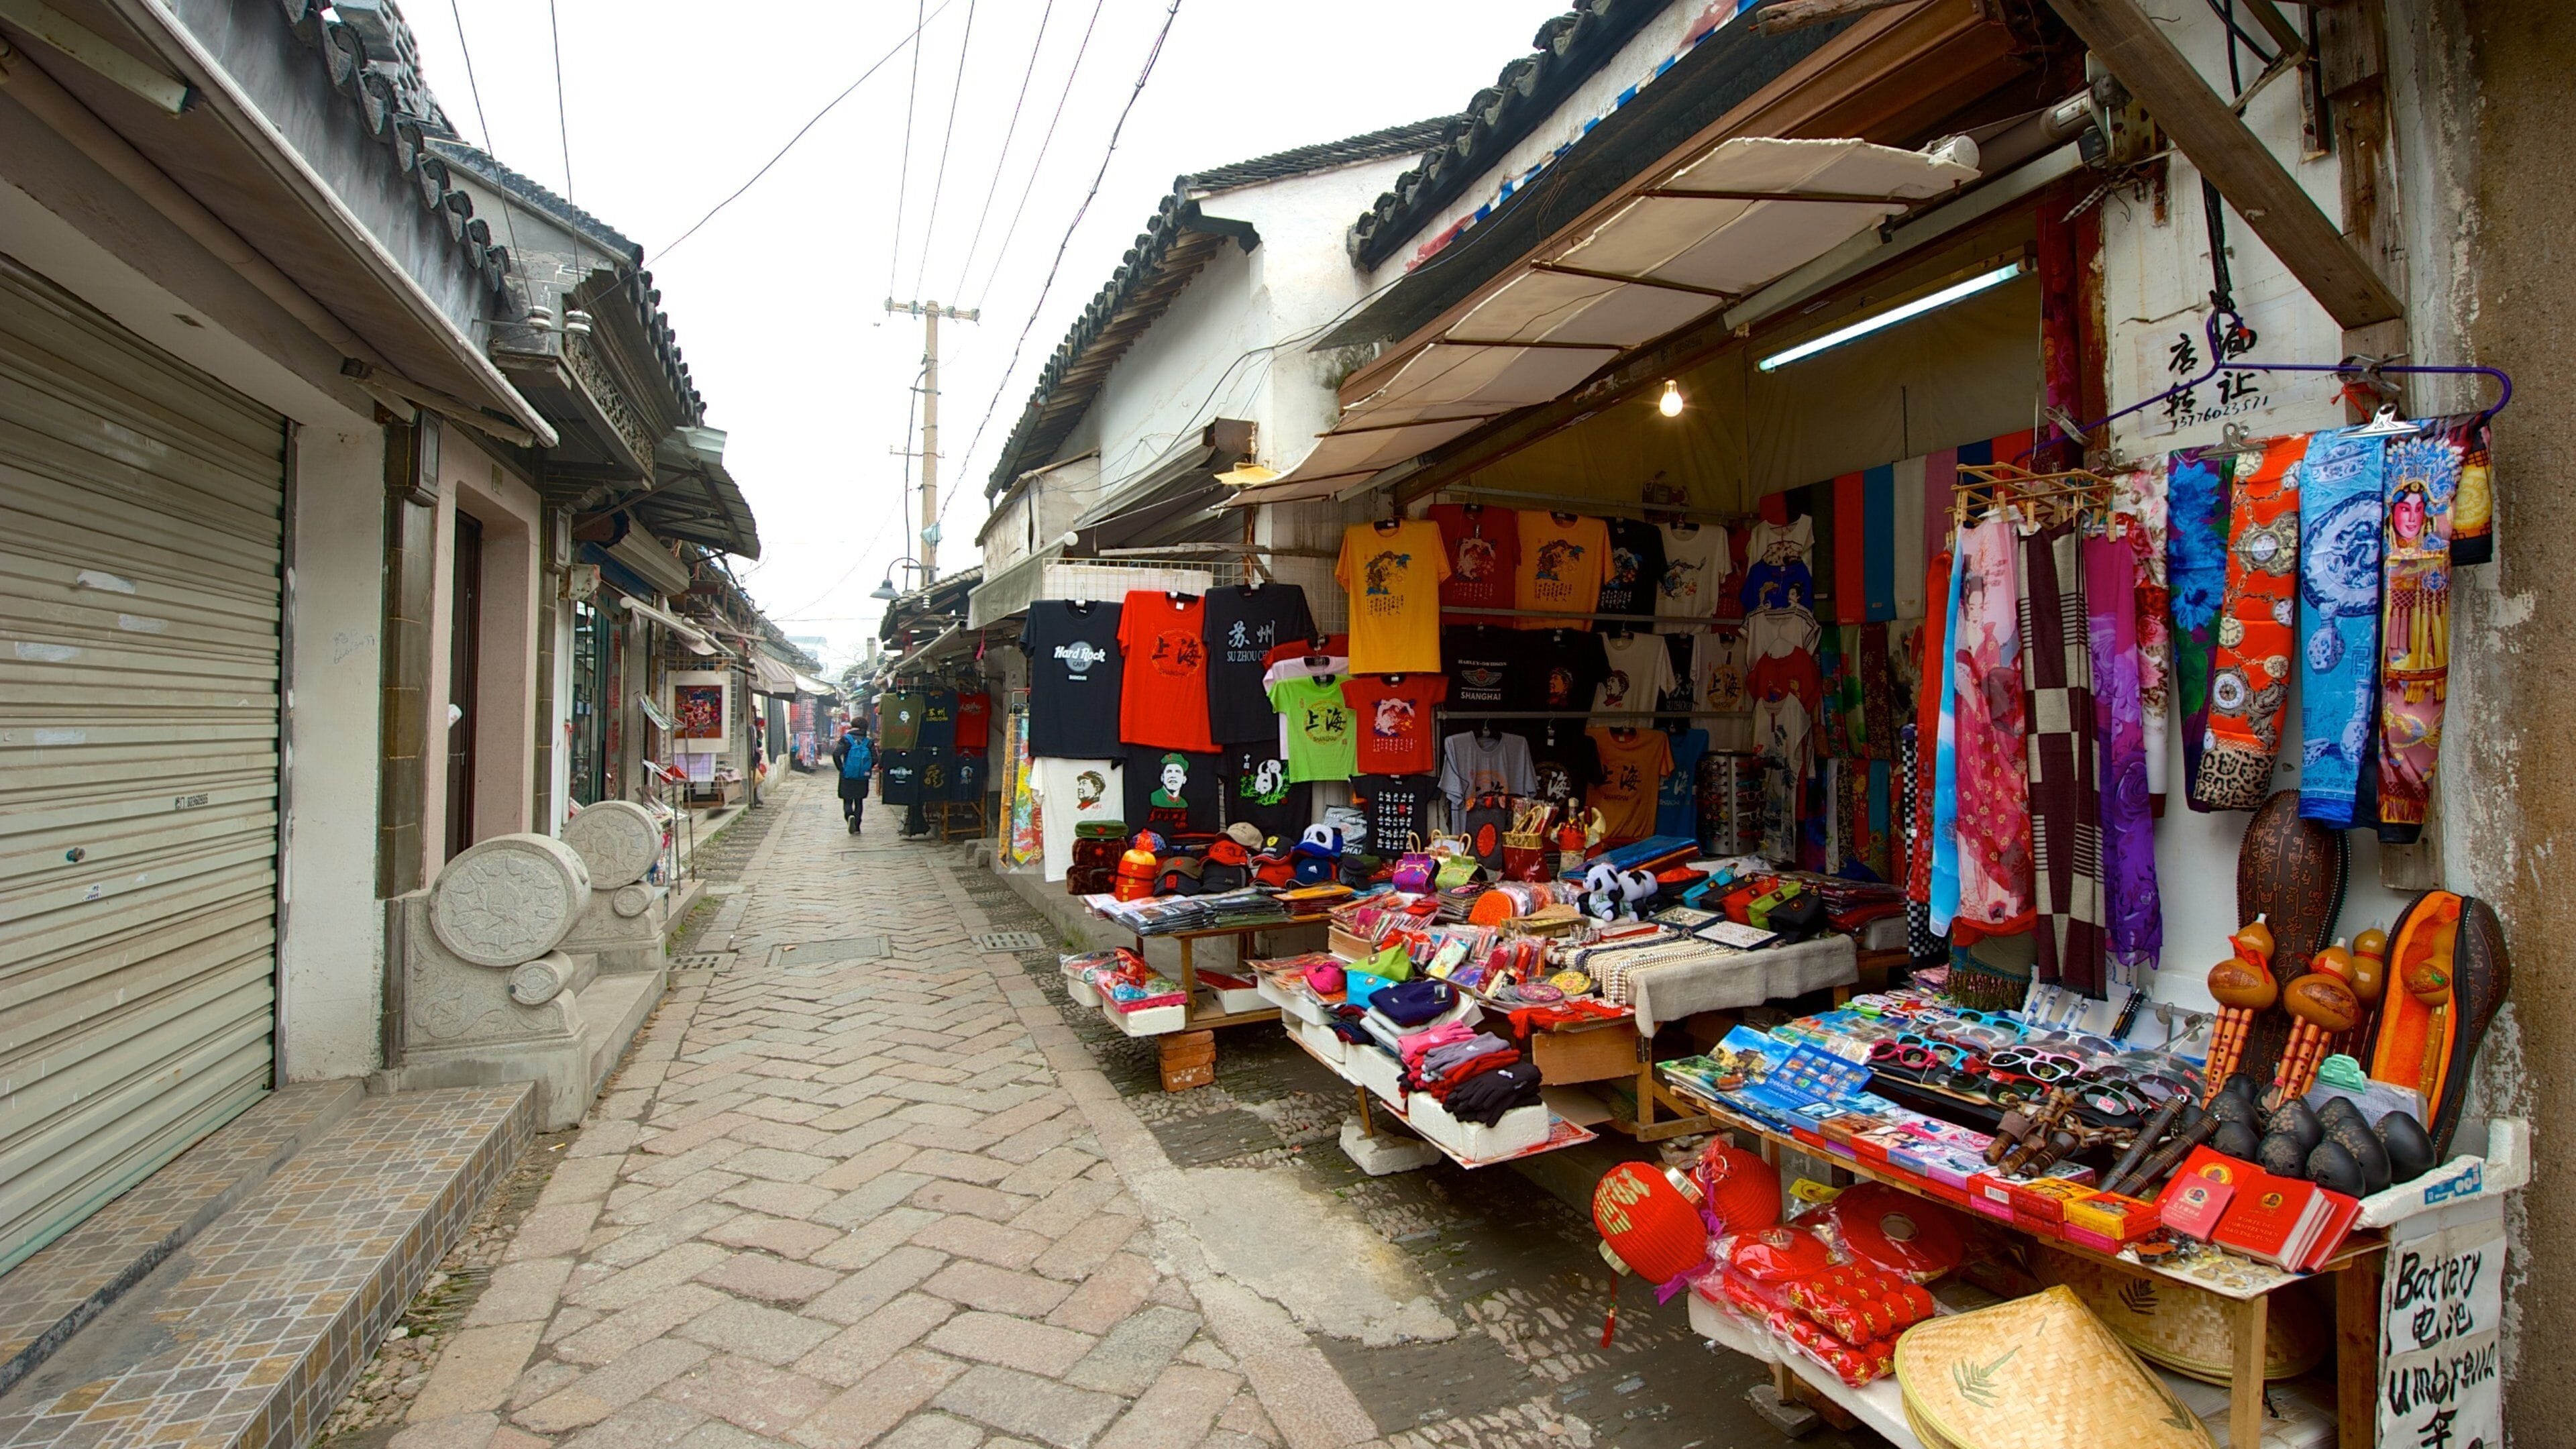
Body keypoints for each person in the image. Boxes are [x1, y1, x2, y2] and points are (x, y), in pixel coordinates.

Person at [833, 723, 873, 834]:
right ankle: (857, 825)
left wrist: (842, 769)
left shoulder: (846, 739)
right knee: (859, 801)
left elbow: (836, 754)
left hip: (848, 775)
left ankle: (849, 816)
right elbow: (875, 758)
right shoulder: (868, 741)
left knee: (847, 800)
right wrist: (866, 768)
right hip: (862, 777)